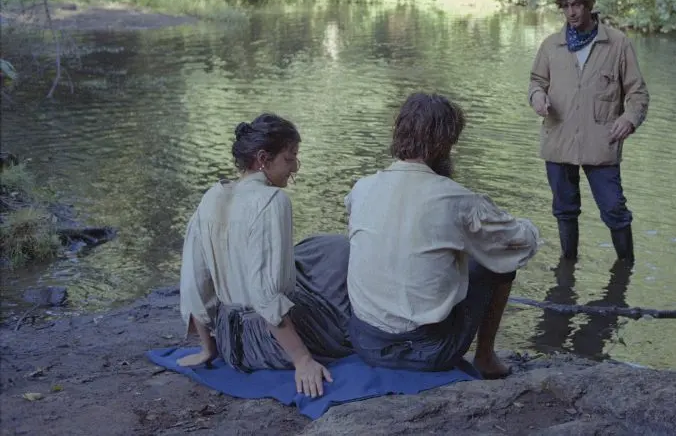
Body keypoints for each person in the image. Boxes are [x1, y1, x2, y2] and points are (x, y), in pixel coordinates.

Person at [345, 93, 540, 379]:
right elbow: (520, 244)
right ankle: (485, 357)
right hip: (430, 351)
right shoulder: (456, 200)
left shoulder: (361, 189)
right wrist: (518, 226)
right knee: (499, 259)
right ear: (446, 145)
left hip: (365, 343)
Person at [178, 114, 352, 399]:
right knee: (343, 295)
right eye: (289, 157)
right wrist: (302, 360)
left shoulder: (212, 196)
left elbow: (194, 281)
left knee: (320, 248)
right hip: (266, 344)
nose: (295, 167)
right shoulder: (273, 202)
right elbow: (266, 296)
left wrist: (208, 349)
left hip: (228, 340)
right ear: (262, 158)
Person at [527, 0, 650, 262]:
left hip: (602, 143)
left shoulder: (617, 44)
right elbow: (536, 82)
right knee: (564, 210)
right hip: (558, 141)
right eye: (566, 6)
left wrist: (629, 119)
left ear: (589, 5)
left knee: (615, 210)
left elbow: (638, 92)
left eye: (577, 5)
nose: (572, 12)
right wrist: (536, 97)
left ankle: (625, 269)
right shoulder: (550, 46)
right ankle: (567, 268)